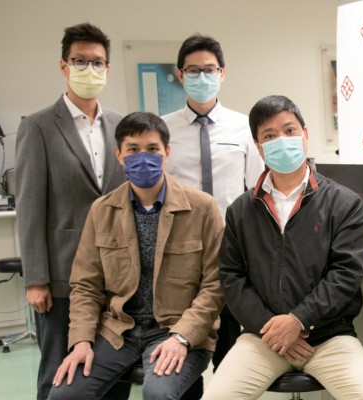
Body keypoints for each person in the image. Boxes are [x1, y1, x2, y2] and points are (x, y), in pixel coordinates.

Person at [203, 95, 363, 400]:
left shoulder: (343, 204)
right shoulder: (241, 210)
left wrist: (298, 321)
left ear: (305, 134)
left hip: (328, 337)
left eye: (289, 130)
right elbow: (232, 277)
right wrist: (272, 328)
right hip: (262, 338)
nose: (282, 140)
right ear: (257, 146)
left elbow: (345, 275)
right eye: (270, 135)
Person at [47, 112, 225, 400]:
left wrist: (181, 336)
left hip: (176, 329)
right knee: (64, 394)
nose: (143, 157)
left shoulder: (202, 208)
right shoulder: (102, 210)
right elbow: (85, 285)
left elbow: (215, 285)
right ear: (119, 154)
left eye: (153, 149)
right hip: (117, 330)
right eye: (133, 149)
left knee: (158, 394)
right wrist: (80, 341)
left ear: (167, 153)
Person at [15, 22, 128, 400]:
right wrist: (35, 278)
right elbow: (29, 207)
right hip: (62, 277)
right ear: (64, 66)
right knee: (57, 373)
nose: (89, 69)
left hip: (117, 275)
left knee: (113, 371)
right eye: (80, 61)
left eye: (98, 62)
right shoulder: (39, 127)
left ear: (108, 69)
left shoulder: (120, 126)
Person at [162, 34, 264, 372]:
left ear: (222, 73)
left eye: (209, 69)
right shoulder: (164, 129)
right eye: (193, 71)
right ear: (180, 75)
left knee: (230, 347)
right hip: (182, 248)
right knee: (184, 343)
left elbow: (257, 191)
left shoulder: (243, 127)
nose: (202, 77)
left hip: (232, 249)